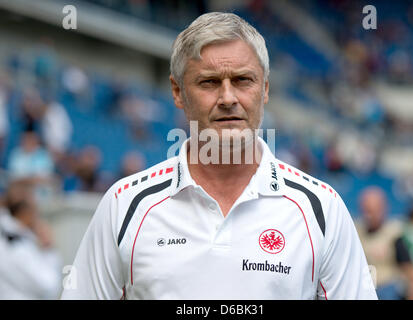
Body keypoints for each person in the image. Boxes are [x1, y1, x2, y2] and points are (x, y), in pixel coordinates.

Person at [61, 12, 377, 300]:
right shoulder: (124, 205)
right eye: (209, 82)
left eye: (242, 80)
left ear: (265, 88)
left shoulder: (322, 210)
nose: (228, 98)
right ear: (177, 91)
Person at [0, 181, 62, 299]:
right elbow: (48, 286)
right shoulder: (15, 245)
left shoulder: (15, 237)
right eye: (35, 209)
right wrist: (48, 248)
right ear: (26, 212)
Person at [355, 186, 408, 299]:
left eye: (374, 210)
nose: (370, 215)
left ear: (384, 209)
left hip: (388, 287)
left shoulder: (394, 232)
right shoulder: (355, 231)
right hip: (363, 287)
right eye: (367, 210)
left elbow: (408, 268)